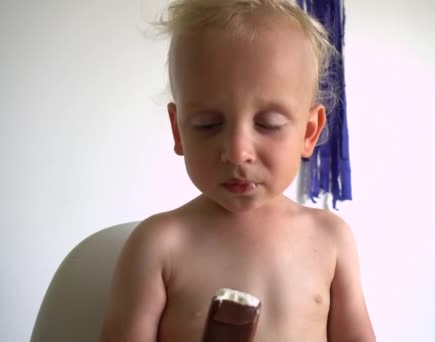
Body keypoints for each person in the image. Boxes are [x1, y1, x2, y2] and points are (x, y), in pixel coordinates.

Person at [100, 0, 374, 341]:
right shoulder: (158, 246)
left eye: (269, 123)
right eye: (207, 124)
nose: (237, 152)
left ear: (308, 132)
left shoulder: (332, 241)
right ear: (178, 130)